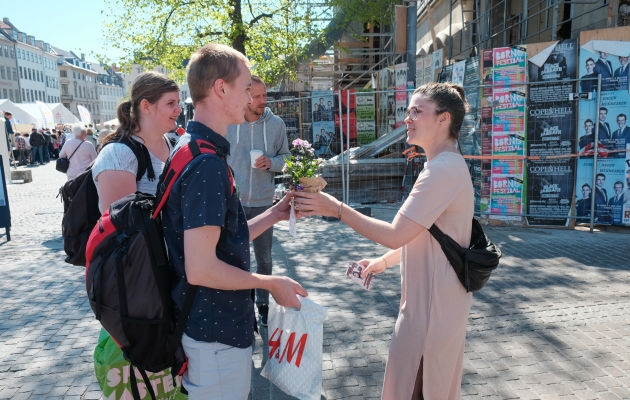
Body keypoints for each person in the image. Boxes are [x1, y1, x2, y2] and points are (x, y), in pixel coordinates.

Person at [295, 82, 475, 399]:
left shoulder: (442, 170)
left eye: (417, 111)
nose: (408, 118)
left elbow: (396, 233)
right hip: (435, 305)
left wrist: (335, 208)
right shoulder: (446, 165)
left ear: (443, 119)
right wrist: (382, 262)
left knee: (416, 389)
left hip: (429, 312)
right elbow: (425, 238)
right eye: (408, 111)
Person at [161, 43, 306, 399]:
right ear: (221, 88)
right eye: (245, 88)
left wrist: (274, 212)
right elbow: (202, 268)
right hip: (216, 334)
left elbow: (225, 241)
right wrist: (270, 283)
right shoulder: (207, 164)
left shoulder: (190, 147)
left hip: (206, 329)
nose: (250, 98)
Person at [226, 75, 291, 326]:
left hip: (264, 202)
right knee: (236, 259)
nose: (263, 100)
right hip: (235, 203)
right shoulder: (231, 123)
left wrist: (272, 162)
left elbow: (287, 158)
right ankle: (242, 308)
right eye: (257, 96)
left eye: (265, 95)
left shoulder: (276, 125)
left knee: (264, 258)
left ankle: (263, 305)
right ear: (246, 96)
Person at [91, 72, 180, 212]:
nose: (179, 109)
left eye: (178, 103)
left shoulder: (174, 145)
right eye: (170, 103)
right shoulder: (118, 154)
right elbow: (120, 228)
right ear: (146, 106)